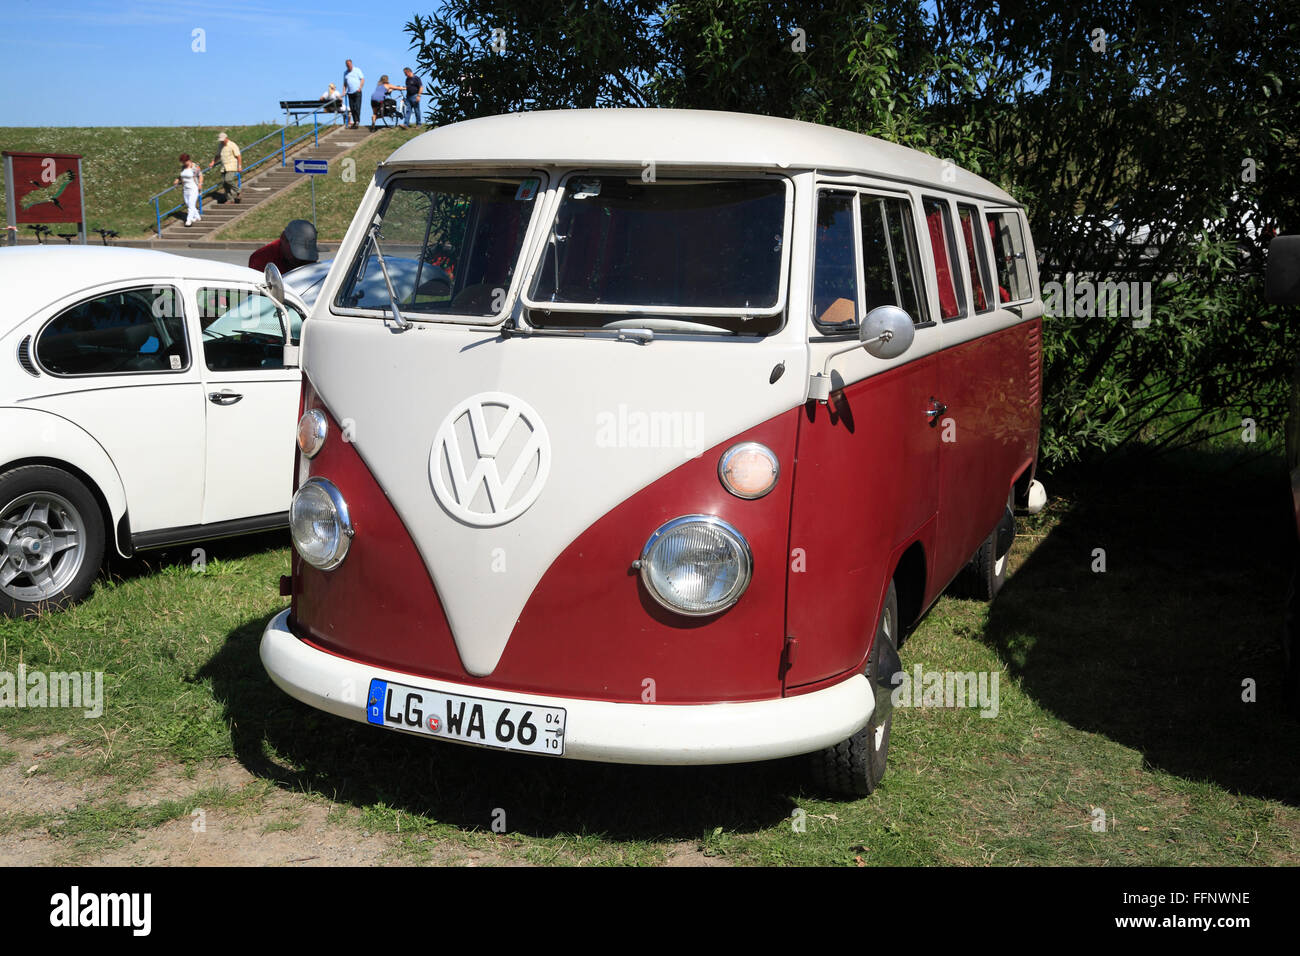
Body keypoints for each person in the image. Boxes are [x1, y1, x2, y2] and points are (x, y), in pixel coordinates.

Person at [248, 220, 319, 274]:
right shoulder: (260, 259)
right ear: (283, 238)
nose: (299, 260)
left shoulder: (307, 259)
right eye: (297, 251)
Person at [207, 132, 242, 204]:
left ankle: (238, 191)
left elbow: (238, 156)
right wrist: (213, 162)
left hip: (231, 166)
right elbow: (218, 155)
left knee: (228, 180)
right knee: (224, 184)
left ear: (226, 138)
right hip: (224, 167)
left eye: (223, 140)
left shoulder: (232, 145)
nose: (222, 141)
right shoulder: (220, 146)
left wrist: (239, 166)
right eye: (221, 140)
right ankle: (230, 199)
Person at [172, 154, 203, 227]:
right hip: (185, 188)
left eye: (184, 162)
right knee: (188, 203)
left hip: (193, 188)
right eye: (182, 162)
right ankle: (197, 216)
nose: (183, 163)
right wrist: (177, 179)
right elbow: (182, 175)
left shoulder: (195, 167)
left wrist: (200, 184)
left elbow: (200, 175)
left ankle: (188, 220)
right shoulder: (183, 167)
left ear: (188, 160)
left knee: (191, 205)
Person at [342, 59, 364, 130]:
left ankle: (357, 121)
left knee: (357, 107)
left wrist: (360, 87)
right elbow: (345, 83)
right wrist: (344, 91)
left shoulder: (357, 70)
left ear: (351, 64)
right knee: (352, 108)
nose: (349, 66)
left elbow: (362, 79)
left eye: (350, 65)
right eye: (348, 65)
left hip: (357, 91)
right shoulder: (345, 73)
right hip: (350, 93)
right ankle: (355, 121)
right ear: (346, 66)